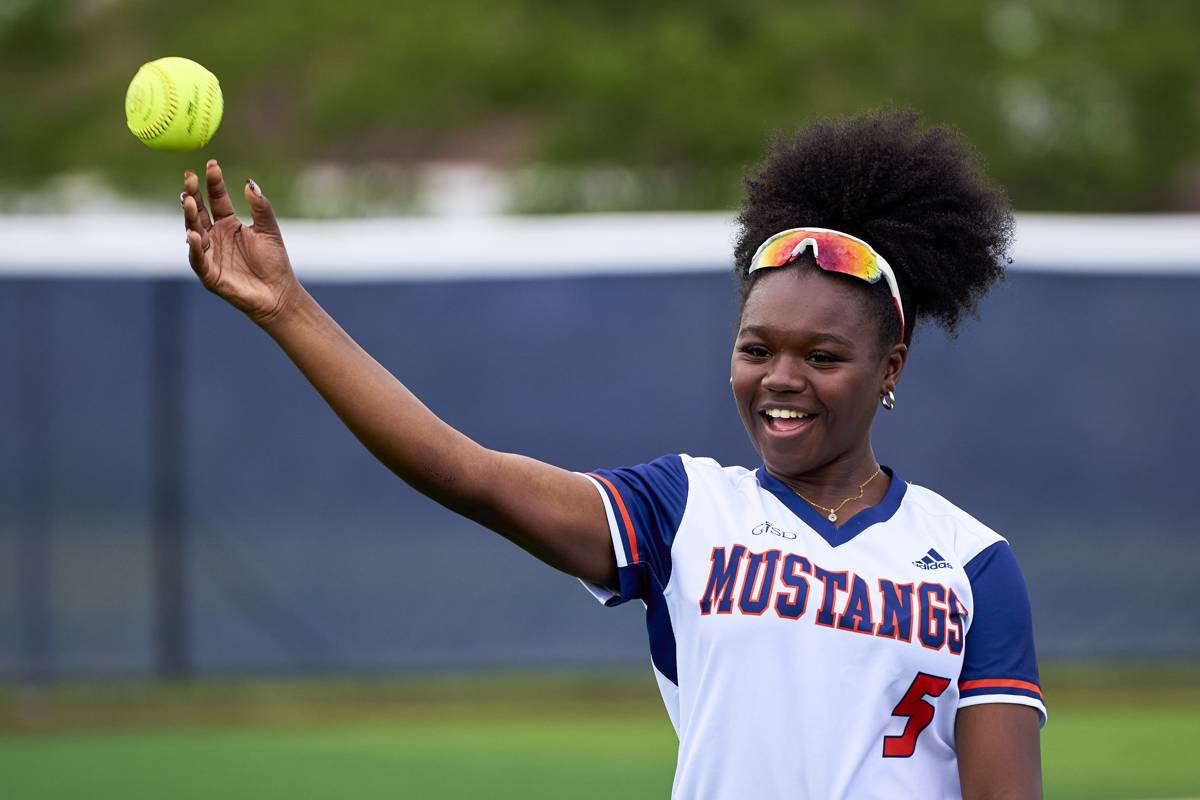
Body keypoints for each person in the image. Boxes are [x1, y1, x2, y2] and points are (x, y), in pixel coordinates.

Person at [180, 109, 1044, 799]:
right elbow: (466, 474)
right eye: (755, 349)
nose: (781, 379)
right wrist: (287, 310)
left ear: (889, 367)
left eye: (821, 357)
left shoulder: (973, 565)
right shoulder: (685, 510)